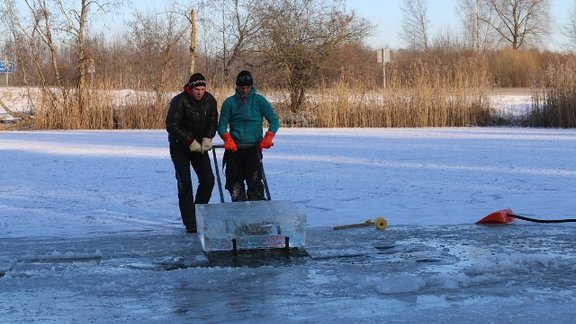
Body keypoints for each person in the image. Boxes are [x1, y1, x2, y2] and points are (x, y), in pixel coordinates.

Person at [166, 73, 218, 233]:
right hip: (180, 146)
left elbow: (213, 120)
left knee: (208, 180)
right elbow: (171, 125)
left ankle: (198, 212)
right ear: (190, 88)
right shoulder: (179, 101)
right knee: (185, 183)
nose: (200, 92)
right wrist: (189, 140)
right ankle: (190, 223)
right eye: (197, 89)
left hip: (200, 146)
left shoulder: (210, 100)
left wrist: (208, 137)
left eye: (203, 89)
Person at [218, 70, 280, 201]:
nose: (245, 90)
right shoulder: (229, 103)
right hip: (234, 149)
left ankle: (257, 215)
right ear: (237, 86)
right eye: (242, 88)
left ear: (252, 87)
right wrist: (227, 138)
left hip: (253, 148)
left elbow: (274, 121)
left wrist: (268, 136)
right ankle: (239, 212)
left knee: (255, 183)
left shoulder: (260, 101)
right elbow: (222, 125)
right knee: (235, 184)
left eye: (247, 87)